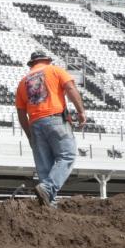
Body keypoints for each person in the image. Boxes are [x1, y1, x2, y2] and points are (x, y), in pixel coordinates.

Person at [15, 51, 86, 208]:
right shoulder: (55, 70)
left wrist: (29, 135)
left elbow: (21, 113)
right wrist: (81, 111)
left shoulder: (22, 83)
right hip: (55, 118)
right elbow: (70, 88)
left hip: (34, 123)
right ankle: (47, 189)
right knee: (67, 155)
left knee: (44, 167)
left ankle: (49, 206)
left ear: (31, 64)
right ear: (47, 61)